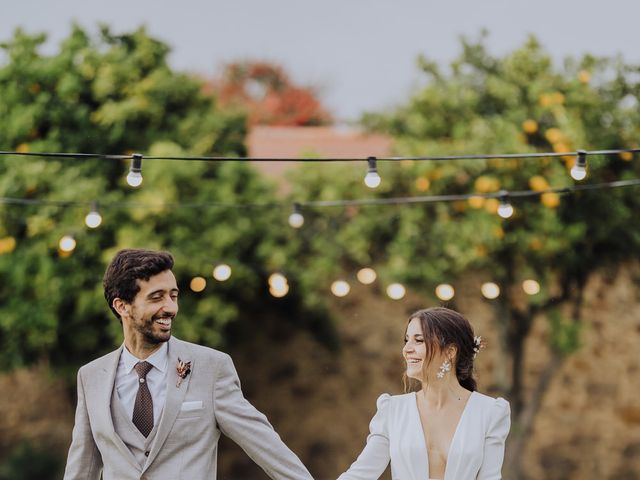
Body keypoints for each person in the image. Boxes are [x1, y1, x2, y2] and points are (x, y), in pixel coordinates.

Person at [63, 248, 313, 480]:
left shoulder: (211, 367)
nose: (170, 308)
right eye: (156, 297)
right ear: (122, 306)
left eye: (173, 296)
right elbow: (81, 467)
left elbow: (264, 443)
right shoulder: (91, 376)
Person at [337, 307, 510, 480]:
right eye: (406, 340)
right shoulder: (393, 410)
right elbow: (360, 475)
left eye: (418, 340)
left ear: (450, 352)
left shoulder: (490, 412)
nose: (407, 349)